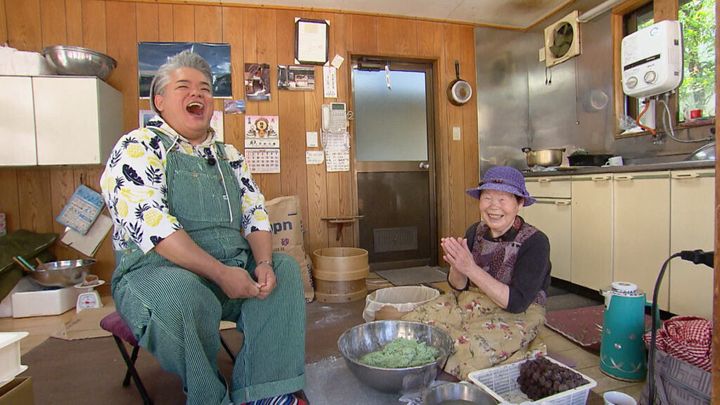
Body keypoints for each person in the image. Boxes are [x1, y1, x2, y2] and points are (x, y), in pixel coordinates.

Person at [100, 50, 306, 405]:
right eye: (184, 86)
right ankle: (210, 397)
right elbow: (155, 227)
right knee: (180, 294)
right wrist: (221, 274)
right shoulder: (138, 147)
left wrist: (263, 263)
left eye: (206, 89)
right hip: (155, 272)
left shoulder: (229, 155)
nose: (197, 93)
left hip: (229, 267)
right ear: (160, 101)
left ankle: (264, 393)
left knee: (284, 271)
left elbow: (255, 213)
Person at [403, 165, 551, 378]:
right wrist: (457, 265)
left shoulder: (535, 242)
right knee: (413, 324)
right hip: (473, 302)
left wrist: (471, 268)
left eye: (503, 199)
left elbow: (517, 303)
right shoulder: (476, 231)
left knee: (464, 347)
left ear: (519, 204)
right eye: (487, 197)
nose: (493, 206)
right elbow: (459, 286)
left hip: (519, 313)